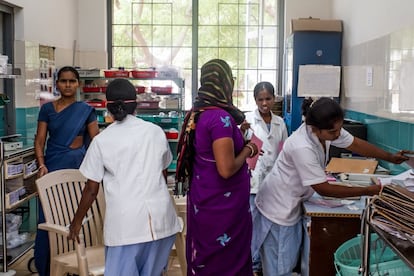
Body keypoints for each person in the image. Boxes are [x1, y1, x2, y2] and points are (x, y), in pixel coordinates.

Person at [253, 97, 410, 276]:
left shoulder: (327, 129)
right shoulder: (302, 146)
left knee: (286, 261)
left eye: (339, 129)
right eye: (332, 132)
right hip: (278, 207)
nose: (337, 135)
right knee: (280, 266)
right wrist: (370, 190)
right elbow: (323, 188)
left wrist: (390, 157)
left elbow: (355, 144)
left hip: (291, 201)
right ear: (315, 128)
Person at [68, 78, 182, 276]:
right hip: (162, 221)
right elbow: (162, 172)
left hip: (126, 227)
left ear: (107, 107)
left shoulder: (102, 141)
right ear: (136, 104)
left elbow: (91, 189)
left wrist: (76, 222)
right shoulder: (155, 132)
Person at [176, 59, 259, 276]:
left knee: (209, 259)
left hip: (206, 200)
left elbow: (207, 153)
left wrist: (237, 136)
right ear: (225, 84)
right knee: (226, 263)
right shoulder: (220, 118)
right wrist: (249, 149)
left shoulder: (198, 113)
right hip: (224, 208)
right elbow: (226, 168)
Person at [34, 66, 99, 276]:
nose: (68, 85)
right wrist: (41, 164)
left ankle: (78, 264)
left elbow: (95, 142)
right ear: (57, 84)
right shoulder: (47, 110)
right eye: (63, 81)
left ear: (78, 83)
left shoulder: (86, 110)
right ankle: (49, 266)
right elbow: (40, 140)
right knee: (50, 216)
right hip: (52, 167)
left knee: (77, 214)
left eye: (72, 81)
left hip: (78, 170)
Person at [240, 81, 288, 276]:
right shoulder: (248, 120)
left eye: (268, 98)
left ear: (274, 98)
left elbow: (284, 151)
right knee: (252, 223)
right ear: (255, 100)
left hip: (273, 181)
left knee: (268, 224)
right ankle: (253, 264)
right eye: (260, 99)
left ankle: (262, 263)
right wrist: (241, 130)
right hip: (254, 180)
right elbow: (239, 144)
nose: (264, 103)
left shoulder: (280, 123)